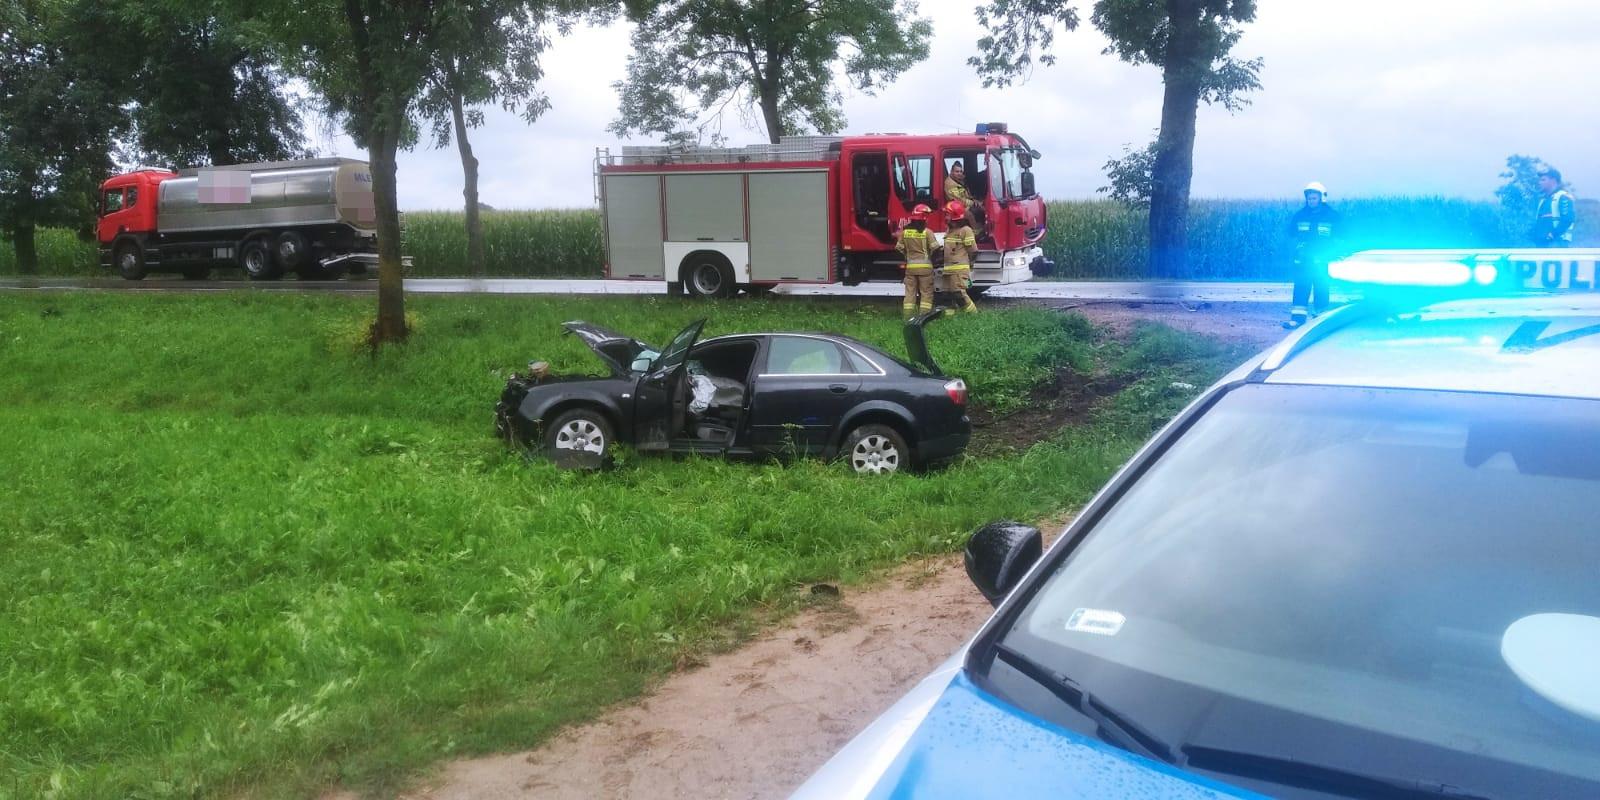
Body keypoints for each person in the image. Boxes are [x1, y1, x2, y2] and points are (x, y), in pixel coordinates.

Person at [1284, 181, 1340, 330]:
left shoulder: (1333, 216)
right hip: (1303, 260)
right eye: (1309, 198)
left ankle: (1319, 319)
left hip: (1323, 259)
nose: (1311, 201)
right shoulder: (1300, 215)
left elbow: (1341, 237)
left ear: (1322, 198)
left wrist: (1335, 253)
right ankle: (1297, 319)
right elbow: (1291, 234)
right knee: (1301, 287)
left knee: (1321, 287)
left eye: (1314, 198)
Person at [894, 204, 938, 315]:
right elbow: (935, 249)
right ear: (924, 218)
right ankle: (924, 316)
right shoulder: (927, 232)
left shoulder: (905, 233)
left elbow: (898, 250)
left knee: (910, 293)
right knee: (926, 293)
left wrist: (906, 259)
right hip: (925, 269)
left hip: (910, 269)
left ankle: (907, 317)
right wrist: (934, 261)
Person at [941, 200, 978, 314]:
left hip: (959, 269)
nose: (945, 216)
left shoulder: (965, 230)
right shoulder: (949, 230)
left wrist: (970, 264)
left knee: (959, 294)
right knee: (947, 295)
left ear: (954, 216)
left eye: (947, 214)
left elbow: (973, 251)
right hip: (948, 270)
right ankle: (949, 319)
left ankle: (973, 315)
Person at [1531, 166, 1575, 247]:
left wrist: (1552, 235)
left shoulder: (1563, 197)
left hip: (1557, 244)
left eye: (1543, 180)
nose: (1539, 183)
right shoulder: (1543, 201)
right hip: (1542, 244)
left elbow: (1567, 220)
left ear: (1553, 180)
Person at [943, 161, 982, 234]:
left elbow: (965, 195)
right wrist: (973, 203)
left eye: (961, 171)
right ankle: (976, 233)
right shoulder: (950, 184)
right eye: (957, 171)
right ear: (951, 172)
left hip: (960, 205)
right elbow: (959, 200)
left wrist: (975, 200)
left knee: (981, 208)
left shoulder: (959, 180)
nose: (959, 173)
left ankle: (980, 229)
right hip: (954, 208)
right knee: (970, 213)